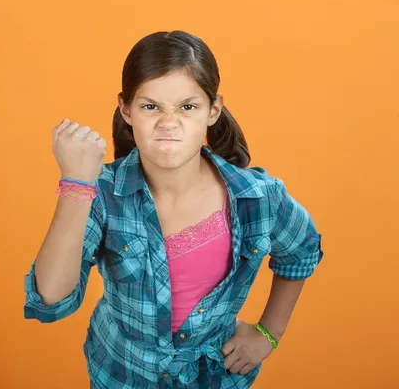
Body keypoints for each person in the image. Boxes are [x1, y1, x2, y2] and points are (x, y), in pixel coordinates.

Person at [23, 30, 324, 388]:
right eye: (151, 107)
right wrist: (76, 184)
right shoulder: (102, 194)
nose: (168, 123)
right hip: (121, 373)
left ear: (213, 110)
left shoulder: (257, 197)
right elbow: (51, 300)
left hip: (215, 378)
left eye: (187, 106)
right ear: (126, 109)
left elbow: (301, 252)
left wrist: (268, 333)